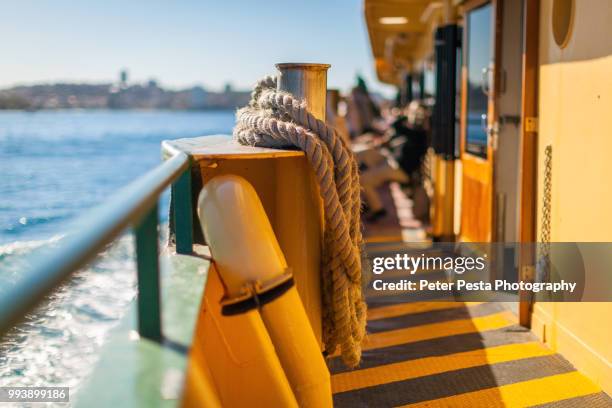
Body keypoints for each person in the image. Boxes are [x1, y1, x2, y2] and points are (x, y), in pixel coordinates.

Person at [358, 101, 428, 222]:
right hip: (391, 161)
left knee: (363, 180)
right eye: (414, 112)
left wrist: (403, 114)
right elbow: (396, 135)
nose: (416, 116)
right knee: (364, 153)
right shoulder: (413, 131)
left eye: (417, 113)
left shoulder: (420, 134)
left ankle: (378, 209)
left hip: (399, 169)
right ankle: (367, 199)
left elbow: (396, 126)